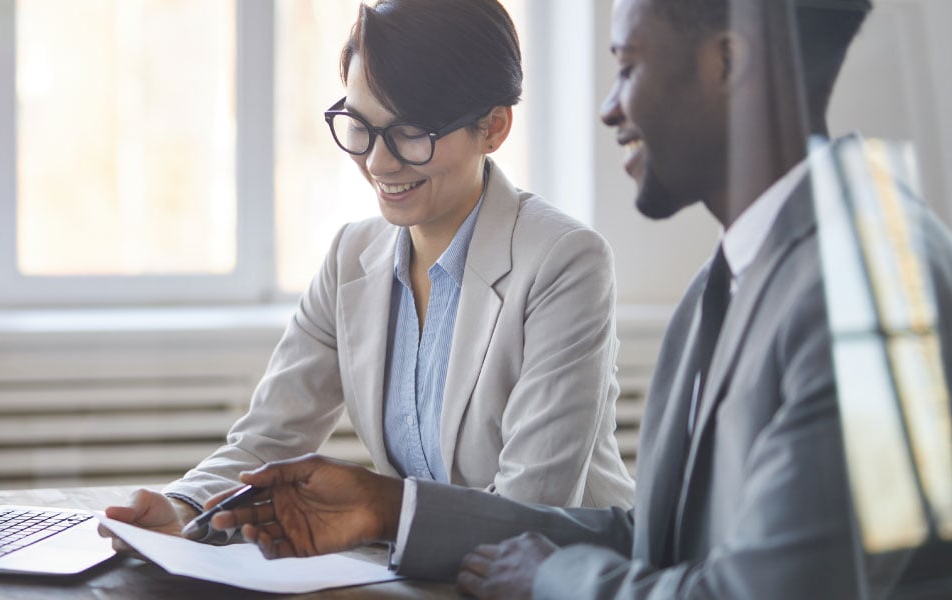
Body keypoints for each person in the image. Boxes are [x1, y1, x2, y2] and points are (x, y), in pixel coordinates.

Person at [210, 0, 952, 598]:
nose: (609, 107)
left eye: (629, 65)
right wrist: (391, 509)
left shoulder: (876, 295)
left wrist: (559, 580)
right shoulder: (727, 284)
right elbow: (660, 540)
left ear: (727, 64)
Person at [103, 0, 635, 543]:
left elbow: (529, 511)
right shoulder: (352, 255)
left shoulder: (565, 261)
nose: (379, 163)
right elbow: (270, 438)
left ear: (494, 127)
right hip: (425, 577)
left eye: (411, 132)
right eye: (359, 125)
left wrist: (383, 512)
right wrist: (182, 506)